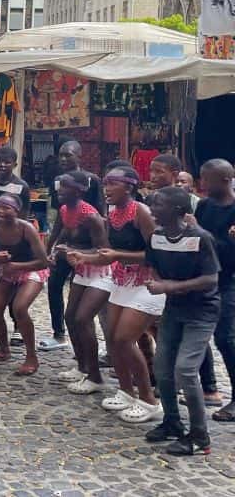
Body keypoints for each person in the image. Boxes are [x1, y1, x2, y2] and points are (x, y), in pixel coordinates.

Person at [144, 187, 221, 456]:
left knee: (185, 370)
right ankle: (172, 423)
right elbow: (152, 264)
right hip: (173, 310)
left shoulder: (200, 238)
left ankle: (200, 435)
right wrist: (156, 281)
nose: (152, 209)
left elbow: (211, 279)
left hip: (202, 312)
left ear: (178, 210)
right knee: (163, 369)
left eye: (159, 205)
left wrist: (170, 285)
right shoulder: (156, 237)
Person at [147, 154, 222, 406]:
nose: (154, 175)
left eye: (160, 171)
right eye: (152, 170)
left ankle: (208, 386)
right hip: (170, 284)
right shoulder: (154, 206)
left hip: (201, 280)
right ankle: (167, 389)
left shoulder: (190, 204)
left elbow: (200, 239)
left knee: (196, 343)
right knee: (167, 342)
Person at [95, 168, 162, 422]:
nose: (107, 189)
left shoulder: (140, 212)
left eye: (113, 184)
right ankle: (125, 390)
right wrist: (87, 257)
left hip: (147, 281)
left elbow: (157, 252)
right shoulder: (112, 213)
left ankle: (149, 400)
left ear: (129, 187)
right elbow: (111, 251)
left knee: (125, 339)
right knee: (112, 339)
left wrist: (118, 257)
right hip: (121, 280)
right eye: (105, 183)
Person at [0, 193, 49, 375]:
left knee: (20, 308)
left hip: (31, 270)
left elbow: (43, 261)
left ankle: (31, 356)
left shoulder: (26, 229)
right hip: (8, 271)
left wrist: (16, 265)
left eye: (6, 207)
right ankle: (3, 350)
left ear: (17, 211)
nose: (1, 211)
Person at [41, 143, 104, 352]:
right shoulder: (57, 181)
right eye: (61, 155)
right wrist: (49, 248)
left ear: (79, 155)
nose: (63, 159)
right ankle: (58, 333)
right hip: (66, 243)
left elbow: (100, 213)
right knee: (54, 284)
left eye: (68, 155)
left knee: (87, 296)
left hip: (89, 246)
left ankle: (92, 338)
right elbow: (57, 216)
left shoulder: (92, 180)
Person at [191, 159, 235, 422]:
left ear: (226, 179)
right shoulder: (205, 206)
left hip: (228, 279)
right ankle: (209, 388)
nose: (203, 184)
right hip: (204, 277)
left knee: (226, 338)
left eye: (208, 179)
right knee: (198, 334)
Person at [0, 147, 31, 343]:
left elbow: (24, 215)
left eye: (7, 162)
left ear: (15, 165)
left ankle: (17, 325)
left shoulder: (21, 187)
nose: (2, 165)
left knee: (14, 283)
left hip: (13, 240)